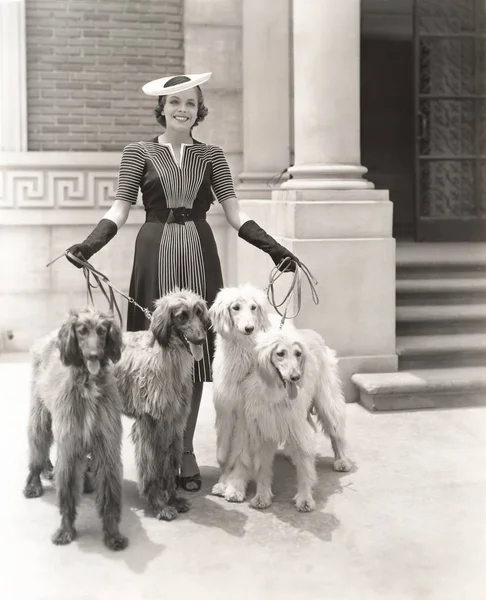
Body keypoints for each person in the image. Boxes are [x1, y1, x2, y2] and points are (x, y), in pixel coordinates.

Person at [65, 72, 299, 491]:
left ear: (199, 109)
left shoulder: (212, 155)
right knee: (151, 358)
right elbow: (119, 210)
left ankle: (184, 450)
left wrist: (274, 248)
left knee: (195, 355)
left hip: (199, 253)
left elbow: (235, 214)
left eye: (190, 103)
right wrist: (89, 244)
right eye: (174, 102)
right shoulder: (137, 153)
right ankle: (151, 452)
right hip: (153, 253)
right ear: (162, 108)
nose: (182, 109)